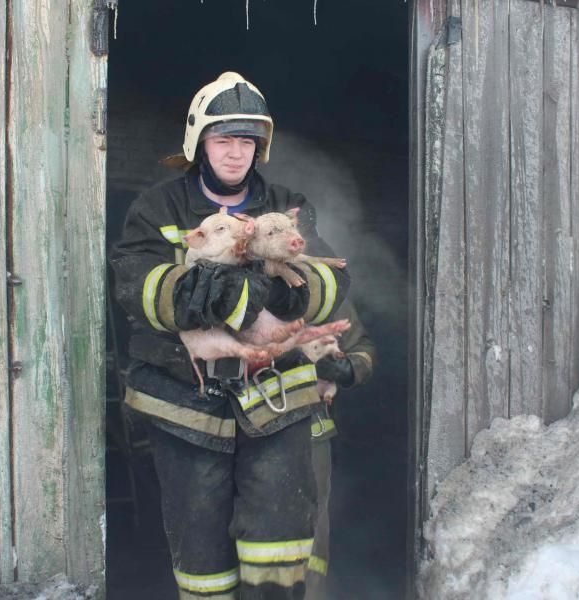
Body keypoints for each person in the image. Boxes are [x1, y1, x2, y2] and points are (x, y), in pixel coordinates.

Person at [110, 72, 351, 600]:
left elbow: (334, 277)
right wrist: (201, 294)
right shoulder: (158, 209)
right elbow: (136, 286)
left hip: (277, 403)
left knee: (280, 539)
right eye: (224, 140)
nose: (236, 153)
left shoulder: (287, 203)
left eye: (246, 142)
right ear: (199, 143)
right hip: (186, 403)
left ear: (259, 148)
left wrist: (288, 294)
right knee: (202, 555)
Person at [304, 302, 376, 599]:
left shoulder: (320, 265)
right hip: (235, 440)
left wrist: (349, 368)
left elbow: (359, 345)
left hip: (309, 439)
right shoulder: (221, 265)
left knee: (309, 548)